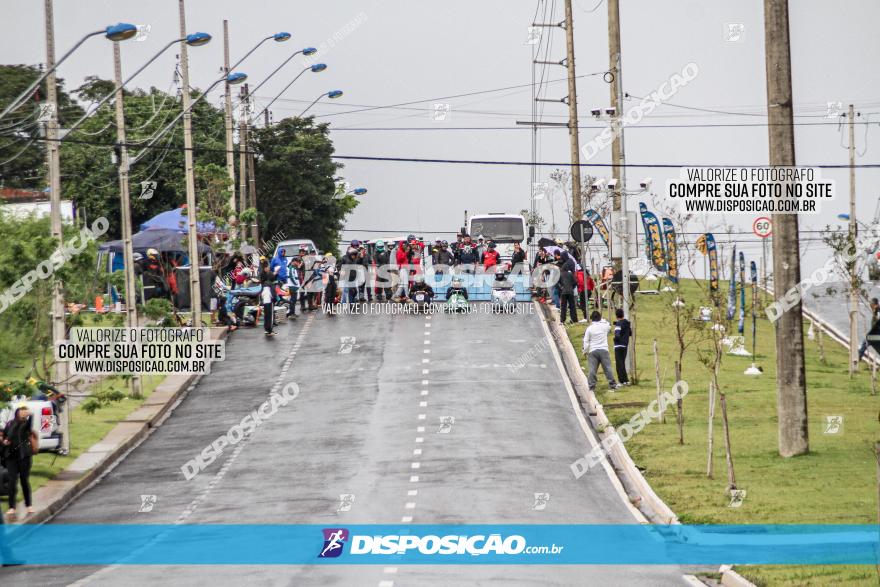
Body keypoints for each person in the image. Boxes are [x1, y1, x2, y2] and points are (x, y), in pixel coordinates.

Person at [2, 406, 38, 518]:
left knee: (24, 481)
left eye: (24, 412)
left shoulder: (26, 425)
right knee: (12, 481)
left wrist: (30, 414)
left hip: (24, 457)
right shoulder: (10, 424)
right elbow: (7, 434)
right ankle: (11, 507)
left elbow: (30, 423)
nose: (22, 414)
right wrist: (5, 442)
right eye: (21, 411)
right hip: (11, 457)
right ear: (17, 413)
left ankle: (29, 505)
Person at [582, 311, 619, 392]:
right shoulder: (604, 326)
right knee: (607, 368)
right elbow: (609, 325)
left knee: (592, 369)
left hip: (593, 351)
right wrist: (603, 320)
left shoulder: (589, 329)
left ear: (592, 319)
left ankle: (591, 386)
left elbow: (586, 341)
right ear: (600, 318)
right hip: (604, 350)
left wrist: (585, 351)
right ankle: (612, 384)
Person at [556, 251, 578, 324]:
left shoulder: (560, 275)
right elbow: (575, 282)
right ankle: (574, 319)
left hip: (564, 292)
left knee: (563, 307)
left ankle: (562, 320)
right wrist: (572, 287)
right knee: (572, 306)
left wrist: (561, 288)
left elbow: (558, 282)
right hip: (570, 291)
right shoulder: (570, 274)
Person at [613, 308, 631, 385]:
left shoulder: (618, 324)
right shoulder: (627, 323)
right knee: (622, 363)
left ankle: (621, 380)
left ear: (616, 316)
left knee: (619, 364)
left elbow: (617, 334)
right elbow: (630, 333)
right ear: (623, 315)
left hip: (618, 345)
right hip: (625, 345)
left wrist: (615, 339)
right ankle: (626, 380)